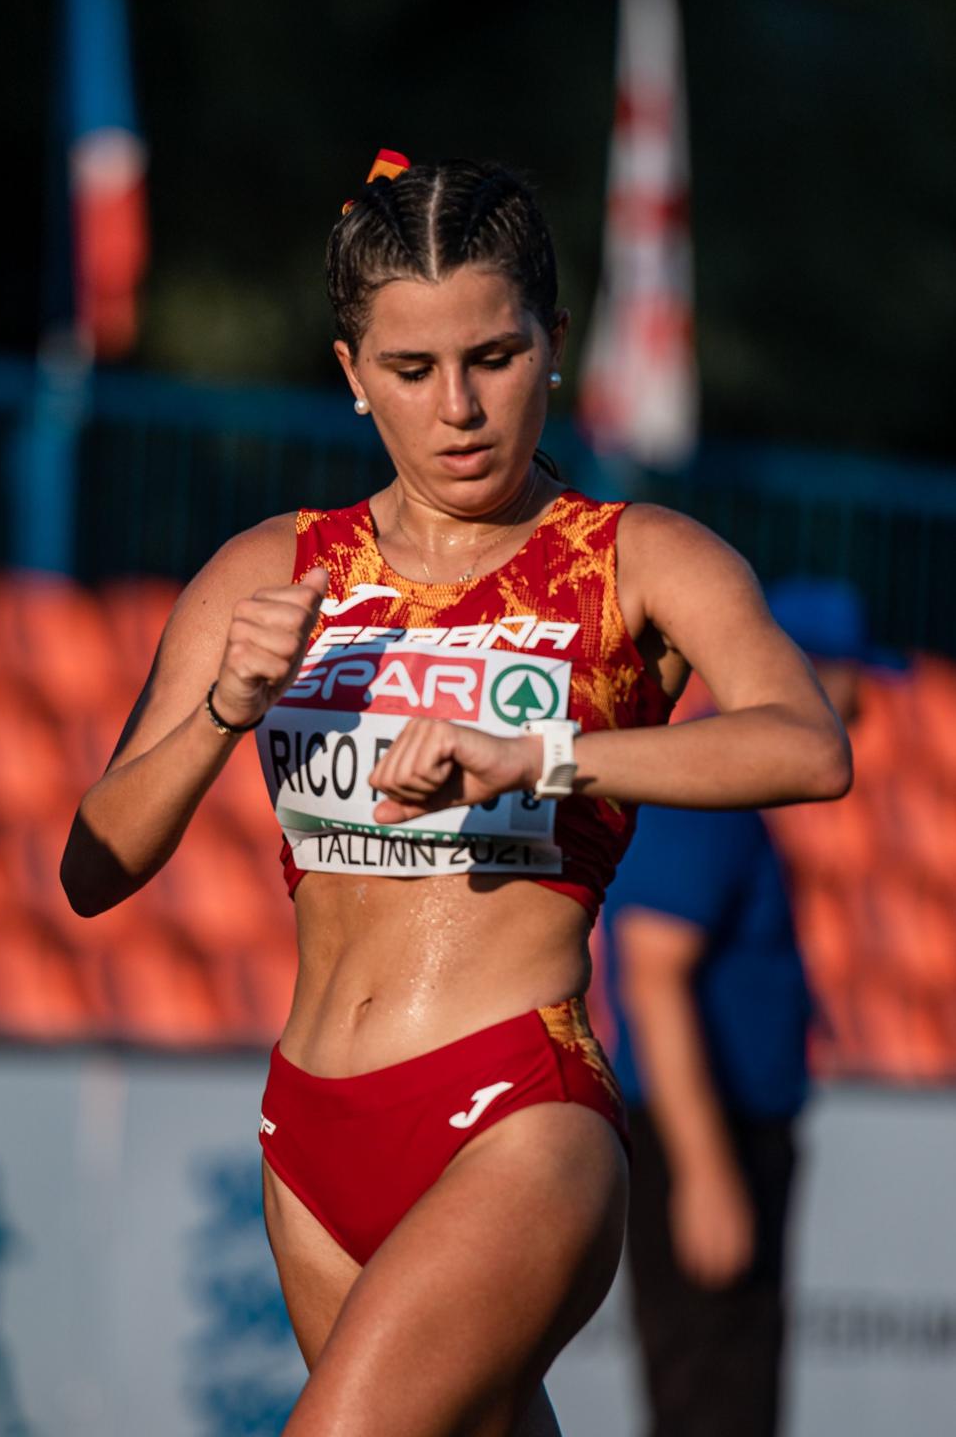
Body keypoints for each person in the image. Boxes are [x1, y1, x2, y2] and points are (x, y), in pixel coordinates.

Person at [60, 155, 852, 1437]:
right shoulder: (270, 567)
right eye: (412, 370)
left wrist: (536, 755)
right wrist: (222, 710)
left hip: (516, 1115)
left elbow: (807, 745)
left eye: (491, 355)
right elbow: (92, 870)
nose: (458, 409)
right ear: (350, 373)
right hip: (310, 1129)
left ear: (552, 344)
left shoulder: (636, 556)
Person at [602, 578, 867, 1437]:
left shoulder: (727, 796)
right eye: (853, 673)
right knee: (713, 1399)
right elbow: (652, 979)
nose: (865, 699)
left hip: (723, 1132)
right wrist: (707, 1174)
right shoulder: (706, 796)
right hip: (704, 1137)